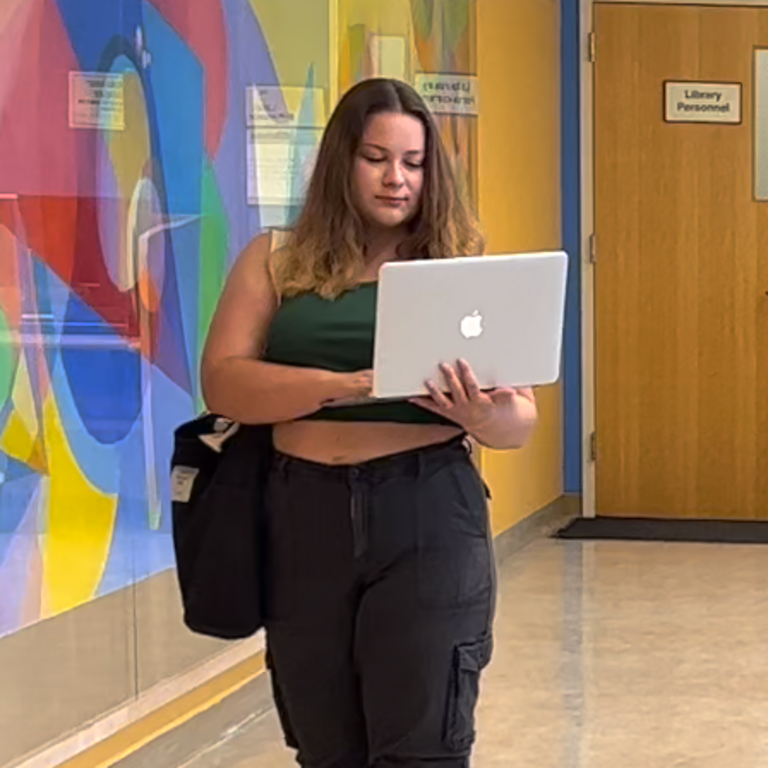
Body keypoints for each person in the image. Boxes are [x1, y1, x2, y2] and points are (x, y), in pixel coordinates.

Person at [201, 78, 537, 768]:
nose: (396, 179)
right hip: (301, 513)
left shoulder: (458, 264)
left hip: (428, 509)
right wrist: (344, 387)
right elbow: (225, 382)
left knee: (422, 748)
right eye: (376, 158)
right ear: (340, 163)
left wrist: (479, 413)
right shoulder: (276, 259)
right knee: (327, 748)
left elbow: (519, 420)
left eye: (413, 163)